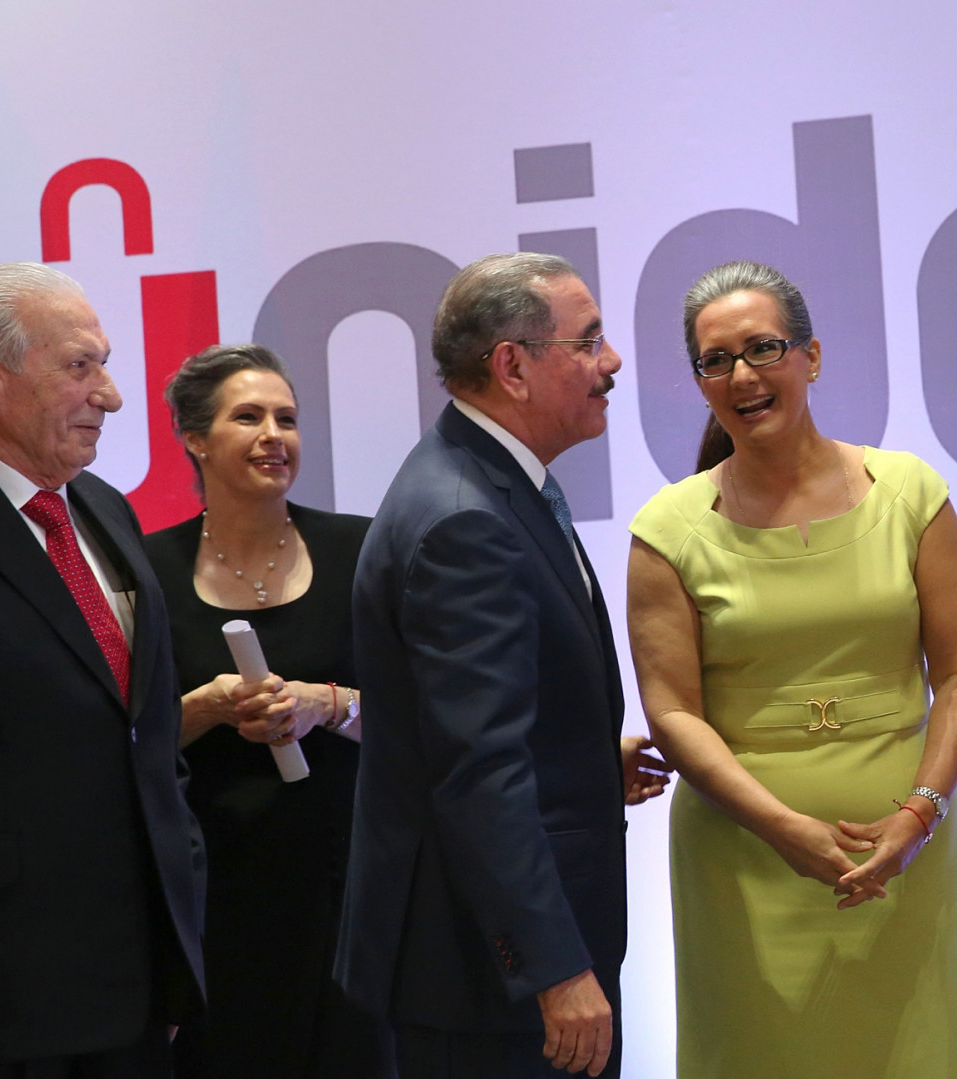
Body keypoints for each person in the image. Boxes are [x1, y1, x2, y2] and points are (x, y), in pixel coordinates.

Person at [625, 261, 957, 1078]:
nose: (742, 376)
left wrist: (920, 813)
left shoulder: (910, 491)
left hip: (908, 860)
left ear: (811, 357)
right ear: (700, 382)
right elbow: (672, 712)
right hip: (743, 869)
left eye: (763, 348)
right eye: (717, 361)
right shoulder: (666, 528)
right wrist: (784, 828)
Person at [336, 253, 667, 1079]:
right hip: (489, 983)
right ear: (513, 366)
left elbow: (479, 728)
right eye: (587, 340)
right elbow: (478, 771)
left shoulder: (483, 484)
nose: (611, 361)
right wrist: (554, 967)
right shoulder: (466, 521)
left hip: (489, 966)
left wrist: (586, 761)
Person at [0, 263, 205, 1076]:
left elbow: (142, 733)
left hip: (134, 988)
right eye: (79, 365)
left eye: (106, 364)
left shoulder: (104, 508)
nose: (113, 395)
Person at [142, 344, 393, 1078]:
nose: (273, 436)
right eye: (248, 417)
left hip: (348, 886)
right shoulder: (145, 570)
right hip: (212, 896)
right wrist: (204, 708)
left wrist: (328, 704)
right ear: (195, 438)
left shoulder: (361, 549)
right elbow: (123, 742)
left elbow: (423, 719)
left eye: (287, 418)